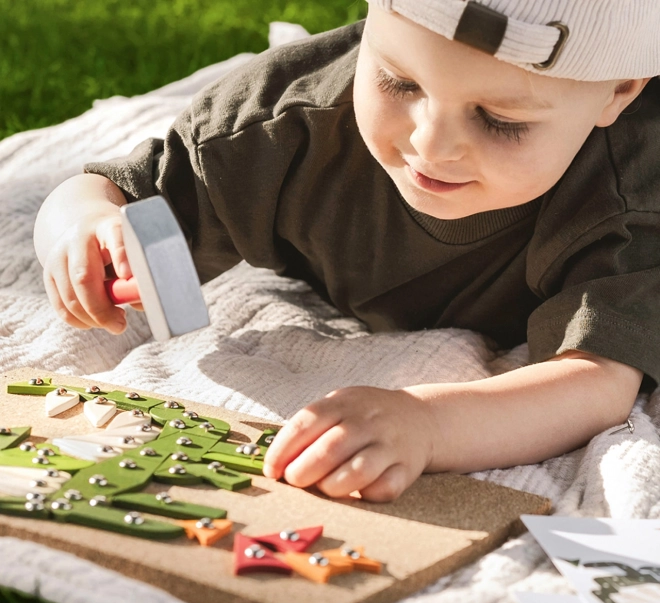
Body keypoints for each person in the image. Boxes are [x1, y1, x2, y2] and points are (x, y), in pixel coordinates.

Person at [34, 0, 660, 502]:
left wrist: (429, 423)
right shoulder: (285, 122)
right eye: (398, 81)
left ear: (618, 93)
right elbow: (107, 189)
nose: (431, 144)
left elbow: (595, 383)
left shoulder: (629, 194)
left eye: (499, 119)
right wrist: (83, 226)